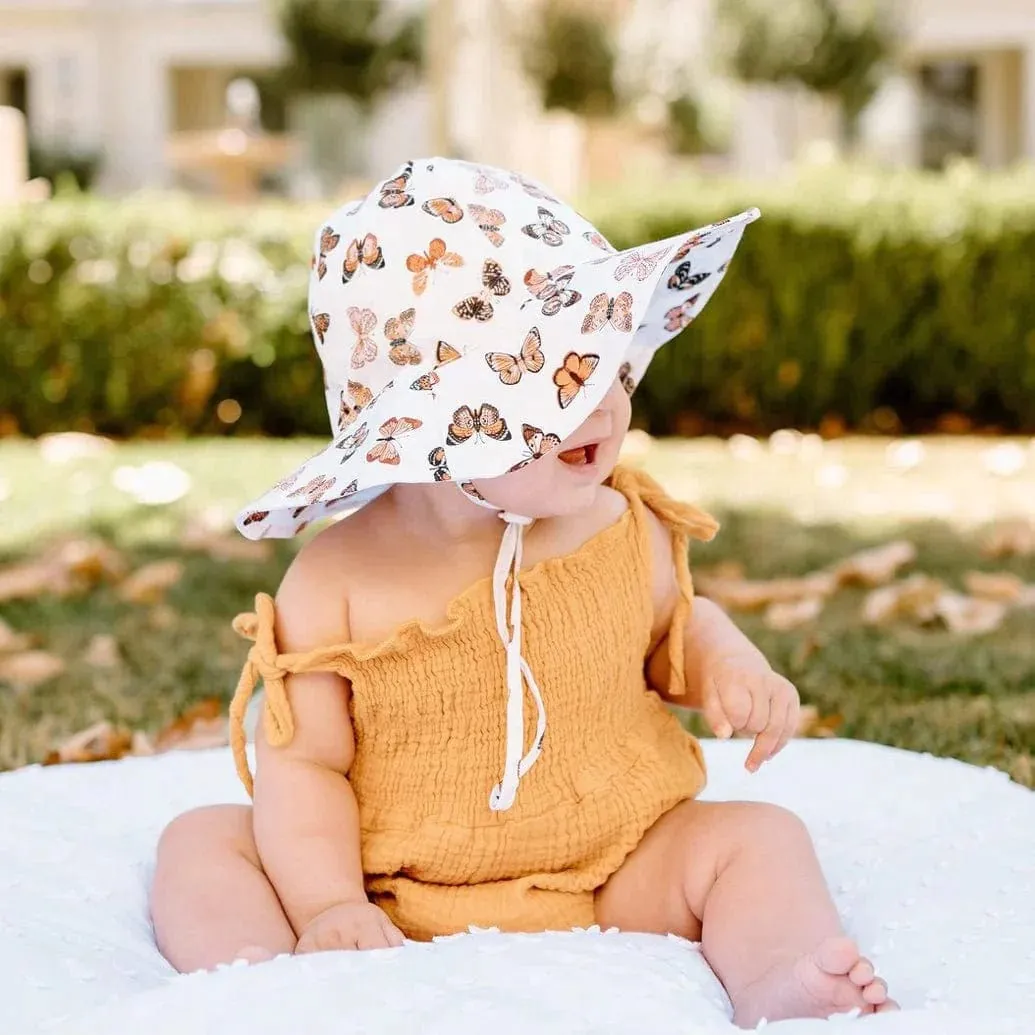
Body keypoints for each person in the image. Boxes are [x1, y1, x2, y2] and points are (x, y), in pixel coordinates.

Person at [149, 158, 895, 1027]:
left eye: (605, 362)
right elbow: (305, 761)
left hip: (615, 859)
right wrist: (326, 903)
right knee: (201, 842)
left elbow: (673, 629)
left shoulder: (620, 523)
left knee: (759, 837)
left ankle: (776, 976)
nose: (599, 408)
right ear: (422, 427)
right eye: (545, 384)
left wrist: (724, 665)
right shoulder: (337, 580)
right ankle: (267, 994)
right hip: (386, 886)